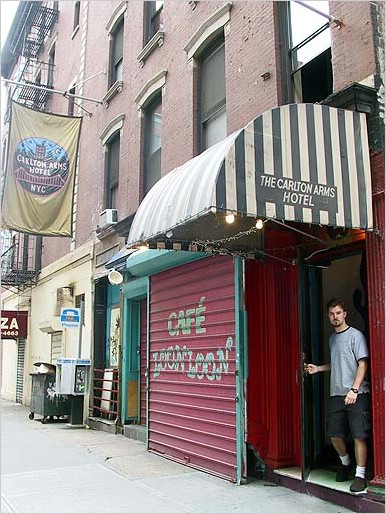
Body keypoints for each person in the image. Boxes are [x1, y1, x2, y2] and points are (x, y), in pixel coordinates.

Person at [306, 298, 371, 494]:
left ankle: (360, 476)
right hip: (337, 394)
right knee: (334, 435)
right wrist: (318, 368)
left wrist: (354, 389)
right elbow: (338, 363)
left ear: (345, 314)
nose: (335, 317)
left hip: (357, 394)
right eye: (332, 314)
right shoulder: (332, 339)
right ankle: (346, 463)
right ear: (328, 316)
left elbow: (363, 364)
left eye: (338, 313)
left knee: (359, 435)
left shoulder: (355, 336)